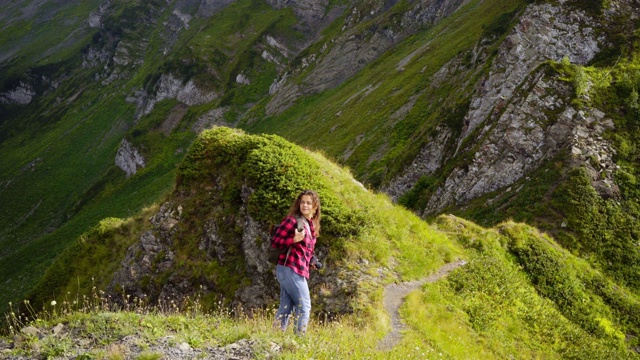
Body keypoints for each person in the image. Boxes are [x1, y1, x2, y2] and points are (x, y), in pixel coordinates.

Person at [272, 190, 321, 335]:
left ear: (315, 207)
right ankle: (298, 341)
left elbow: (306, 251)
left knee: (286, 307)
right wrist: (293, 240)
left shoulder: (311, 226)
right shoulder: (292, 221)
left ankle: (274, 338)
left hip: (297, 269)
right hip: (289, 268)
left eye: (308, 203)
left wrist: (312, 261)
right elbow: (275, 242)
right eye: (302, 202)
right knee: (304, 306)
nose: (304, 205)